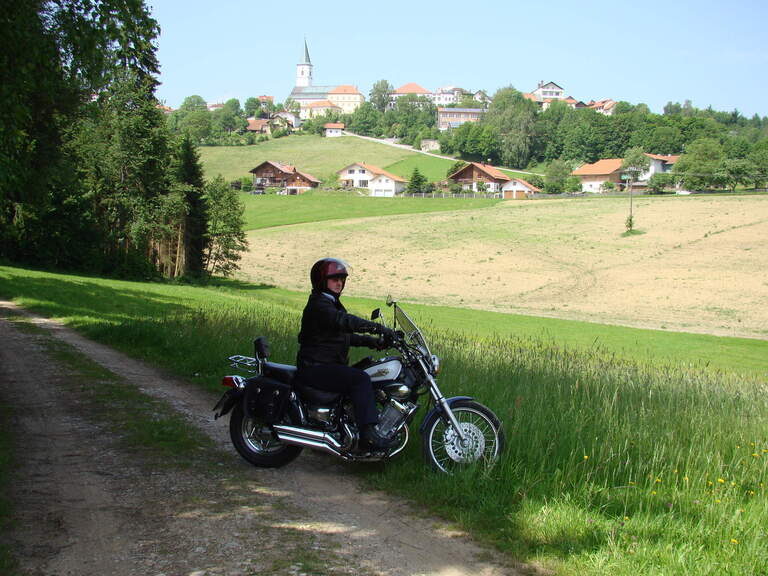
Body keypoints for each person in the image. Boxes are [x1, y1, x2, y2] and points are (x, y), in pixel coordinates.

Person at [295, 258, 398, 450]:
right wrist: (378, 328)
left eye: (342, 279)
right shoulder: (320, 305)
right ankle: (368, 435)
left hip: (325, 365)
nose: (339, 282)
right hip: (316, 367)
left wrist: (375, 343)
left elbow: (345, 337)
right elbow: (345, 322)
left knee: (364, 372)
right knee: (360, 379)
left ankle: (346, 429)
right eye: (334, 279)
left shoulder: (330, 303)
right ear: (321, 281)